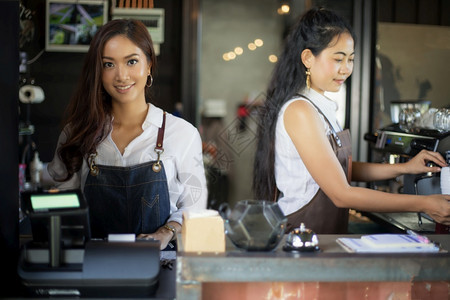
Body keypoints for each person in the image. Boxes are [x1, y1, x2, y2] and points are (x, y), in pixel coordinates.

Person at [253, 7, 450, 234]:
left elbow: (341, 169)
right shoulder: (300, 111)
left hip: (321, 234)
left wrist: (404, 168)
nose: (346, 69)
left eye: (351, 59)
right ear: (308, 58)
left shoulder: (318, 107)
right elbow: (341, 194)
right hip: (301, 235)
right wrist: (424, 203)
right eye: (338, 59)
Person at [47, 19, 207, 249]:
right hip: (93, 264)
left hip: (160, 265)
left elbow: (195, 207)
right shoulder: (77, 132)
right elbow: (61, 205)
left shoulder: (181, 133)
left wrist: (165, 233)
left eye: (132, 61)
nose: (121, 75)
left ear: (149, 64)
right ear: (98, 71)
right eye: (108, 64)